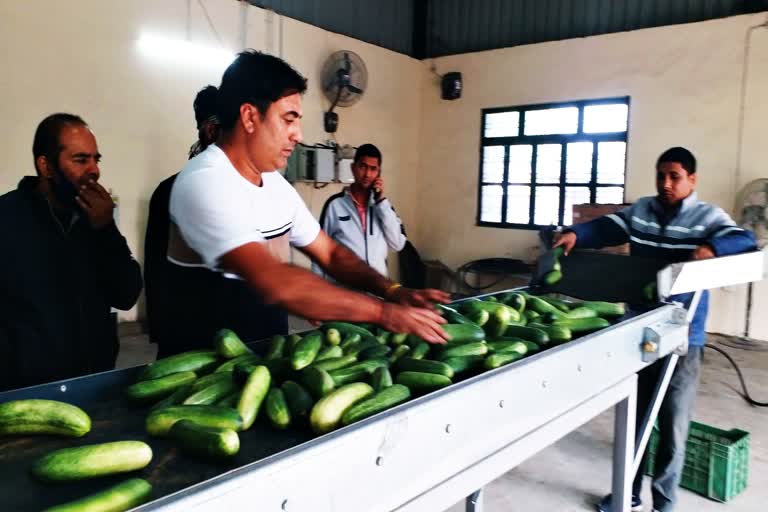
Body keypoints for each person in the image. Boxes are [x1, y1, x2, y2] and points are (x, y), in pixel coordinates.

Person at [169, 50, 449, 344]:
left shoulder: (275, 185)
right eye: (289, 119)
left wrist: (393, 291)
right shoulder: (206, 181)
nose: (298, 135)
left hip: (261, 359)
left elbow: (331, 254)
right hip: (204, 374)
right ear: (250, 117)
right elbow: (275, 282)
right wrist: (384, 313)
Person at [553, 147, 756, 512]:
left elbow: (744, 239)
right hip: (640, 330)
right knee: (635, 417)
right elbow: (606, 227)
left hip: (683, 336)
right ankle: (627, 493)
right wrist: (575, 235)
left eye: (674, 176)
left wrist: (712, 247)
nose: (666, 183)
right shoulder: (642, 210)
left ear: (692, 180)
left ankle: (664, 503)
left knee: (673, 425)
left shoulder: (707, 216)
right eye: (661, 175)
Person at [0, 113, 142, 391]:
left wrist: (106, 232)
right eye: (80, 160)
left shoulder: (96, 221)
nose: (94, 170)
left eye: (95, 159)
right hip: (25, 392)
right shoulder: (6, 218)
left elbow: (126, 296)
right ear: (46, 166)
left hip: (93, 383)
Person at [144, 85, 230, 358]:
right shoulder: (170, 192)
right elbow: (156, 269)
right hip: (187, 337)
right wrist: (163, 332)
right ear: (211, 131)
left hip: (236, 337)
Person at [313, 144, 406, 279]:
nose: (367, 174)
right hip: (344, 291)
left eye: (373, 169)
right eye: (363, 167)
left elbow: (397, 244)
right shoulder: (335, 205)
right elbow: (320, 251)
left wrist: (381, 203)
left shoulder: (384, 208)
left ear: (378, 173)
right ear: (353, 168)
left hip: (377, 291)